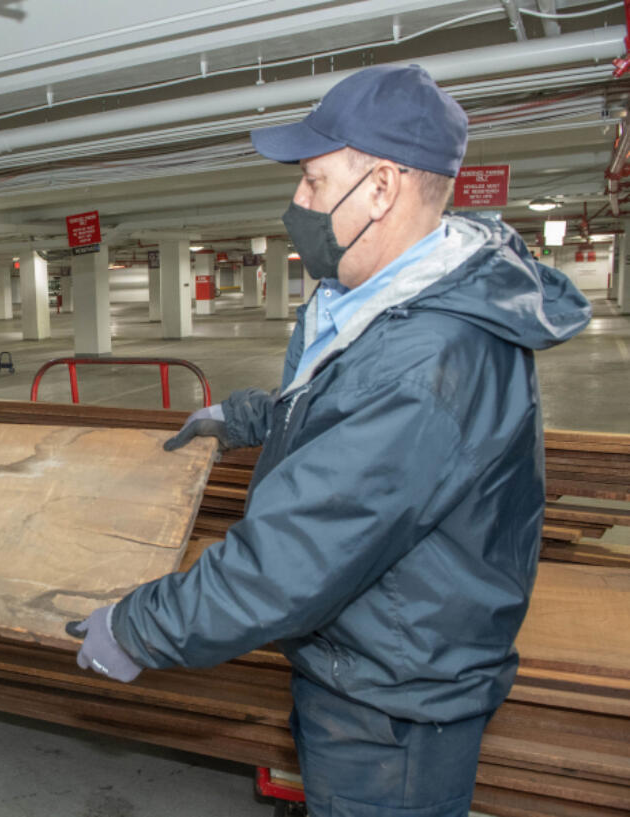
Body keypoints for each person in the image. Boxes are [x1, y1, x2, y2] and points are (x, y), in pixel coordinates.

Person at [68, 65, 592, 816]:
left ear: (381, 187)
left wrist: (136, 626)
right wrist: (246, 417)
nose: (298, 203)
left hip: (391, 706)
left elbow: (290, 560)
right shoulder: (381, 295)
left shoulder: (429, 357)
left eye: (314, 181)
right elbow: (339, 406)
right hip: (367, 658)